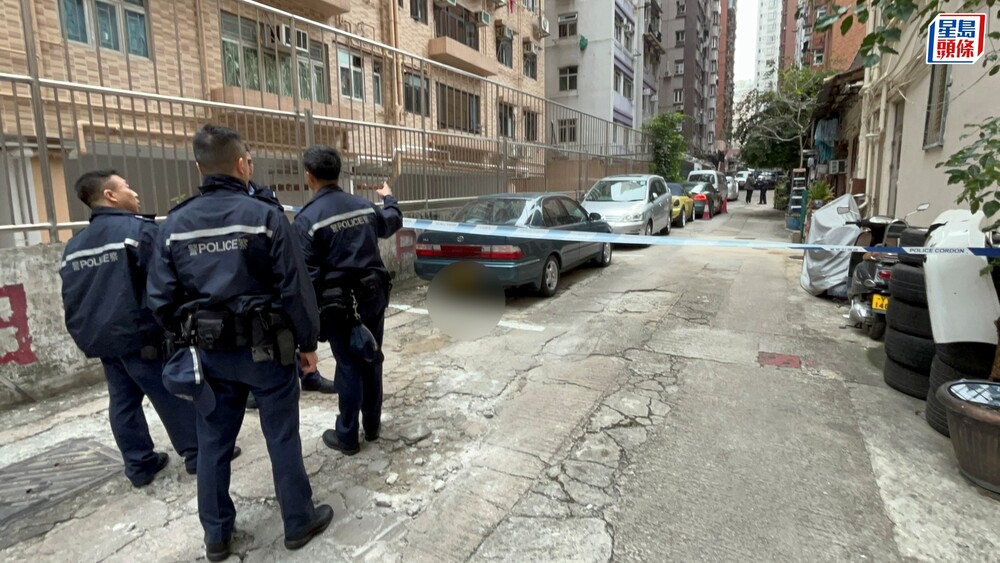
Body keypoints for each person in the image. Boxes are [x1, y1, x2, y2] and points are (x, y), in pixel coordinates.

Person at [146, 125, 332, 561]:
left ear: (200, 168)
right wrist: (308, 342)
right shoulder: (265, 216)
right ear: (242, 164)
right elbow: (295, 287)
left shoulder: (173, 225)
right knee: (281, 435)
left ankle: (216, 536)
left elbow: (159, 299)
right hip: (267, 351)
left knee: (213, 441)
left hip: (211, 355)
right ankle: (298, 522)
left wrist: (191, 333)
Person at [59, 170, 239, 487]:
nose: (135, 192)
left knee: (123, 400)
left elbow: (72, 294)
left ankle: (139, 464)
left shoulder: (75, 246)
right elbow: (165, 279)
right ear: (110, 195)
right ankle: (197, 453)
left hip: (102, 338)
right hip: (140, 333)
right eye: (127, 186)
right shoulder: (137, 232)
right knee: (171, 392)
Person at [291, 145, 402, 456]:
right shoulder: (363, 207)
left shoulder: (307, 220)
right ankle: (373, 426)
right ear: (338, 172)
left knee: (349, 365)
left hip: (338, 307)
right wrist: (389, 198)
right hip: (373, 296)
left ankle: (348, 437)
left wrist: (311, 324)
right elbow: (392, 221)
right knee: (372, 357)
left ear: (309, 176)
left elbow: (307, 278)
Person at [243, 144, 336, 403]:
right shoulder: (225, 204)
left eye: (251, 161)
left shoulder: (264, 195)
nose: (248, 167)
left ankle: (309, 374)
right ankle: (252, 388)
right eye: (245, 161)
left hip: (276, 273)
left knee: (292, 322)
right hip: (249, 281)